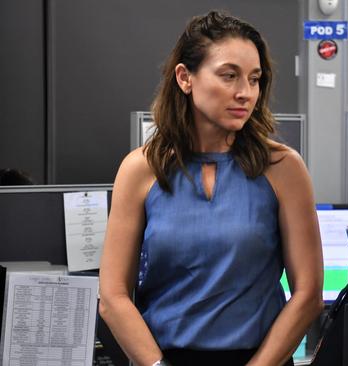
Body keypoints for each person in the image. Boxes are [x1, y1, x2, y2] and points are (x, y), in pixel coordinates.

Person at [98, 10, 323, 366]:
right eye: (229, 76)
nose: (245, 93)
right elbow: (112, 296)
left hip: (259, 359)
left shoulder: (283, 168)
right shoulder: (141, 170)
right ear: (185, 78)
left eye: (254, 79)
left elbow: (308, 294)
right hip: (162, 358)